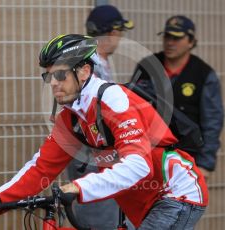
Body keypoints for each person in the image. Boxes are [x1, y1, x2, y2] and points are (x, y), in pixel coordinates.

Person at [0, 34, 208, 229]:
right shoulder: (70, 117)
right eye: (48, 76)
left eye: (60, 74)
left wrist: (80, 187)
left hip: (175, 193)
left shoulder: (113, 100)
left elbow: (139, 165)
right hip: (137, 204)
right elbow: (40, 168)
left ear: (84, 71)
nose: (53, 83)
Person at [66, 5, 134, 229]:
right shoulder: (90, 65)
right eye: (119, 32)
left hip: (93, 152)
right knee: (101, 218)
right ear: (112, 32)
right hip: (91, 153)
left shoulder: (95, 62)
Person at [133, 15, 224, 179]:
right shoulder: (148, 66)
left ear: (191, 41)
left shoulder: (203, 74)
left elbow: (212, 121)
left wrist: (205, 164)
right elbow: (131, 109)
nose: (170, 42)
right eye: (167, 36)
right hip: (148, 158)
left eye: (176, 38)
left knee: (184, 204)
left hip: (186, 159)